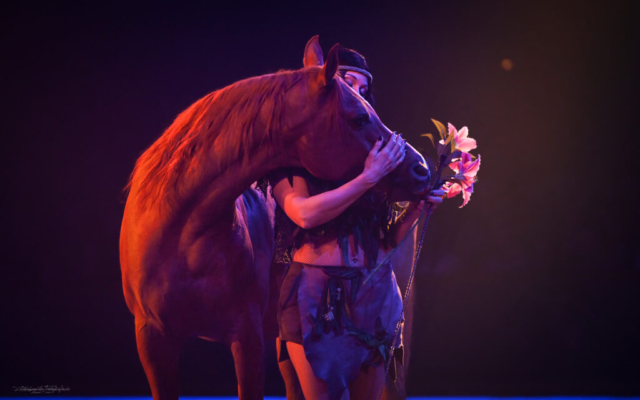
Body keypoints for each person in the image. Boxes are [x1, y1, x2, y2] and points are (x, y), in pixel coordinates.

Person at [257, 46, 444, 400]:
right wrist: (367, 179)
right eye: (347, 82)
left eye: (362, 88)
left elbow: (384, 246)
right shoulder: (292, 160)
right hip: (315, 298)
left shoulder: (371, 165)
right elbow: (304, 213)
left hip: (372, 295)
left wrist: (418, 208)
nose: (355, 93)